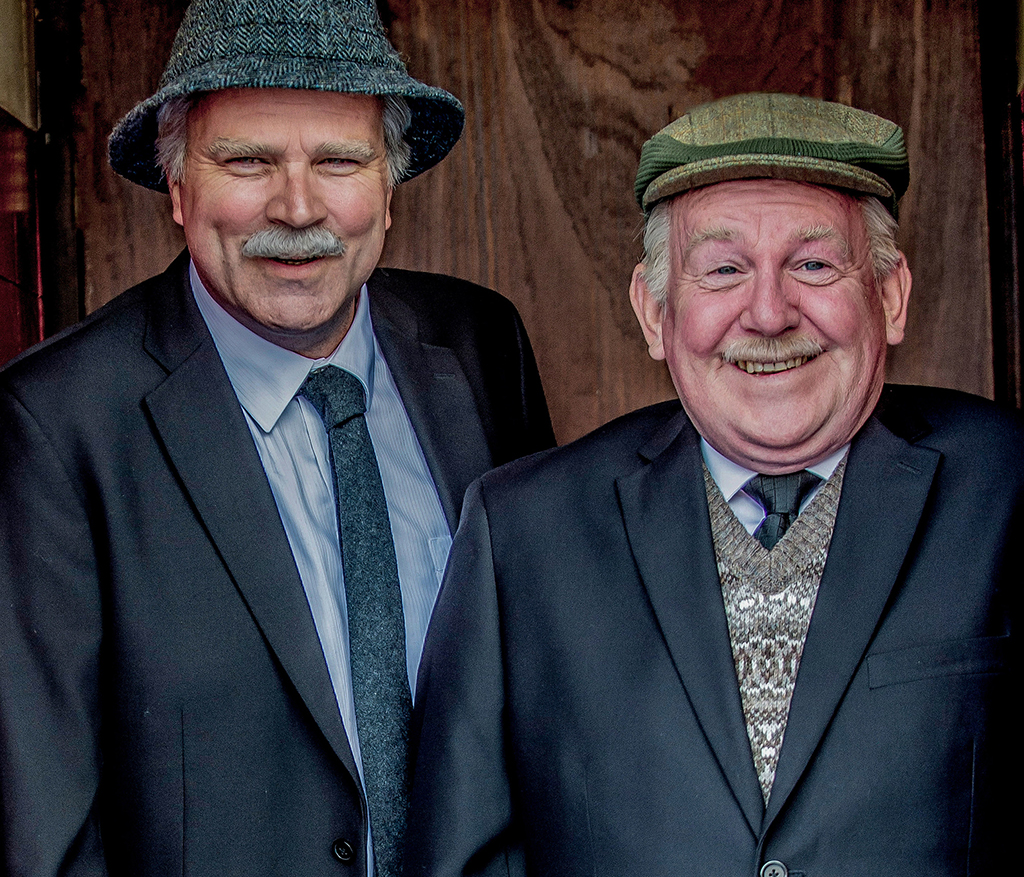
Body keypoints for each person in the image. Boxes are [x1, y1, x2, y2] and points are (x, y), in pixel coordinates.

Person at [0, 0, 554, 877]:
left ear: (390, 187)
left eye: (338, 161)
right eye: (248, 160)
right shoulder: (55, 428)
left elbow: (551, 691)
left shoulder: (479, 346)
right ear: (179, 185)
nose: (297, 208)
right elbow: (47, 831)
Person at [405, 93, 1016, 877]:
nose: (767, 312)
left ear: (890, 296)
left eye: (814, 263)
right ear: (655, 311)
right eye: (724, 269)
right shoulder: (521, 532)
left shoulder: (1008, 487)